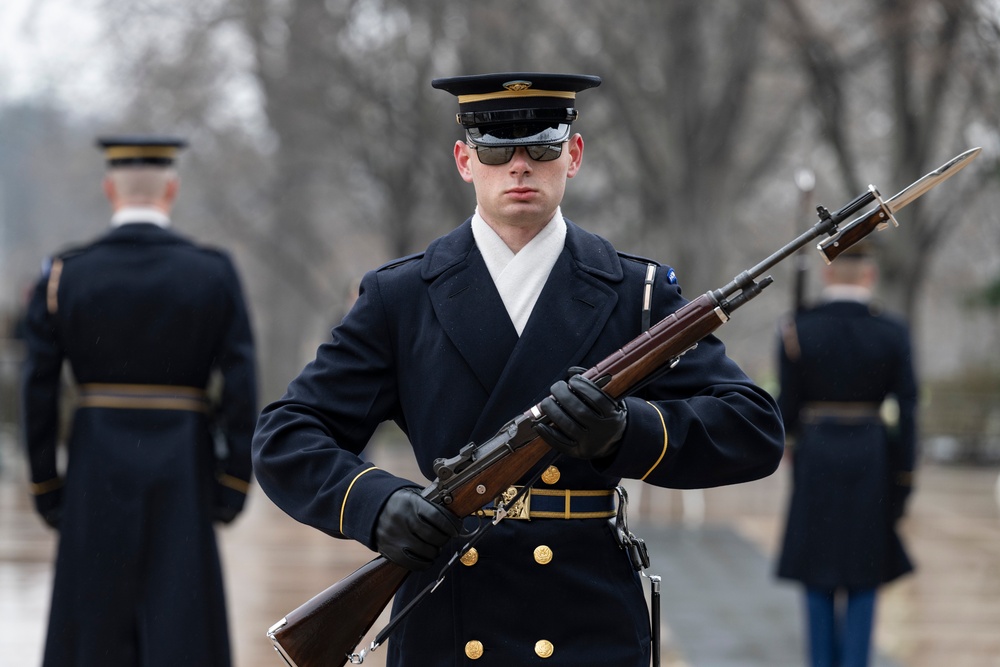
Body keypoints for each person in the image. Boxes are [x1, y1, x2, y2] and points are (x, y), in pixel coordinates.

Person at [253, 72, 785, 666]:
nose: (520, 166)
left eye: (542, 146)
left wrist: (624, 431)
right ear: (464, 160)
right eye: (496, 148)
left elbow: (754, 427)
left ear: (574, 155)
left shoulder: (635, 292)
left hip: (589, 624)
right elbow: (287, 434)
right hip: (450, 620)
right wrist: (377, 504)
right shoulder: (400, 297)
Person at [20, 135, 258, 667]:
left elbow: (38, 386)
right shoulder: (213, 272)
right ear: (171, 189)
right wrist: (233, 481)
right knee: (183, 628)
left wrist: (46, 484)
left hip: (93, 469)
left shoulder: (65, 274)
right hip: (185, 473)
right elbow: (242, 384)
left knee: (92, 632)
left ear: (110, 190)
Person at [775, 241, 918, 667]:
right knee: (864, 573)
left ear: (827, 274)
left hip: (816, 454)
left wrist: (789, 445)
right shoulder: (891, 330)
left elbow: (787, 408)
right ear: (869, 275)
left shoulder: (798, 327)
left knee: (818, 575)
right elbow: (908, 410)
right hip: (872, 455)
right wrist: (906, 473)